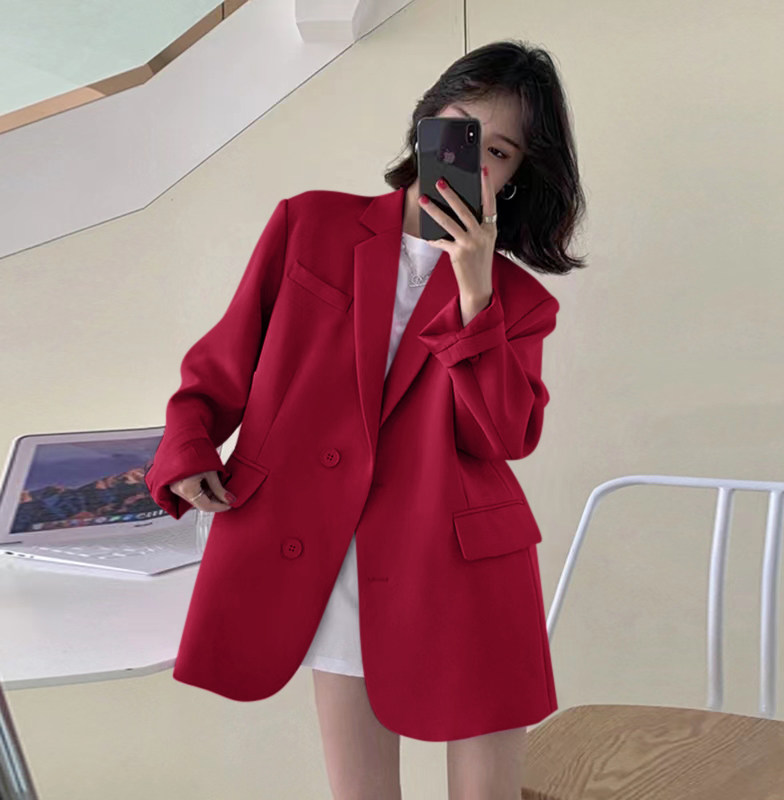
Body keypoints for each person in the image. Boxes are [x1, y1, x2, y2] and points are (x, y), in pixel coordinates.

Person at [156, 38, 586, 800]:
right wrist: (189, 447)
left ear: (517, 176)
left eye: (499, 152)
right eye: (460, 131)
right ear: (425, 124)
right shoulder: (311, 225)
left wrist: (476, 293)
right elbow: (222, 365)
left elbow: (501, 437)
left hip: (461, 566)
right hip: (324, 552)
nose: (474, 159)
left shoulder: (520, 304)